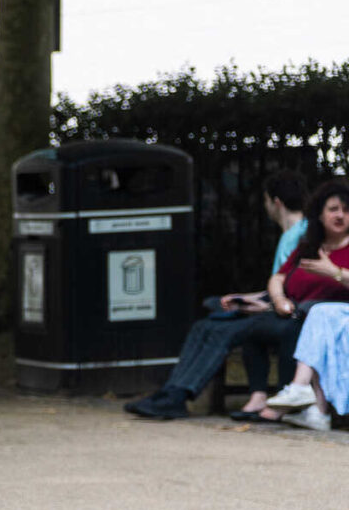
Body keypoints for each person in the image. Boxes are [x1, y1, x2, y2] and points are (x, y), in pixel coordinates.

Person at [125, 171, 321, 421]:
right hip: (272, 306)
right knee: (205, 323)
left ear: (276, 202)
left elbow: (296, 291)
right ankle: (172, 392)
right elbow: (281, 285)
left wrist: (260, 303)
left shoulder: (301, 237)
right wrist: (245, 297)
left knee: (218, 328)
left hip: (285, 313)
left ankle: (177, 395)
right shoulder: (292, 234)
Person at [256, 180, 349, 432]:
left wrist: (335, 273)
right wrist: (278, 300)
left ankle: (299, 389)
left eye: (346, 209)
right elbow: (278, 277)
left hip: (337, 312)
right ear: (319, 214)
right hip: (311, 314)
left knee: (319, 315)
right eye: (333, 209)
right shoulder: (309, 246)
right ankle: (317, 413)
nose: (340, 215)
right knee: (319, 321)